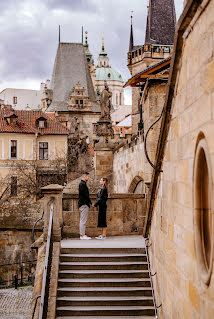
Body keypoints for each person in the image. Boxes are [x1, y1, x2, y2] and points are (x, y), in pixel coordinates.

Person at [78, 172, 92, 240]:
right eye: (88, 176)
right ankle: (82, 235)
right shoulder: (82, 184)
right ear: (84, 176)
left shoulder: (82, 184)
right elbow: (85, 195)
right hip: (84, 204)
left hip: (82, 204)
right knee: (83, 221)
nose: (88, 178)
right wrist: (90, 203)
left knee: (82, 220)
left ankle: (82, 234)